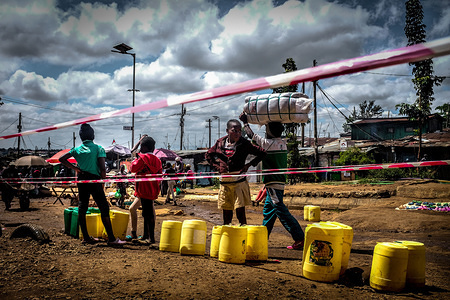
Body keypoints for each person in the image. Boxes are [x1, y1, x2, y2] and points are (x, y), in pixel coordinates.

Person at [240, 113, 304, 250]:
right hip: (276, 183)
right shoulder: (282, 143)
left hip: (273, 183)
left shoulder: (268, 144)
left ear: (269, 131)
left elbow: (251, 135)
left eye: (266, 130)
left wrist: (245, 123)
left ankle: (299, 238)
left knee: (280, 210)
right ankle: (262, 238)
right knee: (269, 211)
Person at [60, 123, 125, 245]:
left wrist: (75, 168)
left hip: (82, 179)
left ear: (81, 137)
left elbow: (62, 159)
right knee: (103, 207)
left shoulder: (76, 150)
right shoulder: (98, 148)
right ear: (93, 136)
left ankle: (86, 237)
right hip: (94, 180)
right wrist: (104, 179)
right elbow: (102, 168)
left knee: (82, 207)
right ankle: (111, 238)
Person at [206, 119, 266, 225]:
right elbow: (208, 155)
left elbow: (262, 153)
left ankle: (242, 234)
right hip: (225, 182)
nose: (238, 133)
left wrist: (248, 165)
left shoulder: (244, 143)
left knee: (240, 211)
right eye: (234, 131)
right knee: (227, 211)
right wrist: (217, 167)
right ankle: (228, 234)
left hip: (239, 182)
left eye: (239, 131)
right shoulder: (220, 143)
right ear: (227, 131)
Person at [130, 135, 162, 245]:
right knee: (148, 212)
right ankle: (146, 235)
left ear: (143, 147)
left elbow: (133, 168)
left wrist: (136, 158)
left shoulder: (143, 159)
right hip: (153, 189)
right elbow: (159, 176)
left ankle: (150, 239)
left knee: (147, 213)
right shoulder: (157, 160)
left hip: (143, 189)